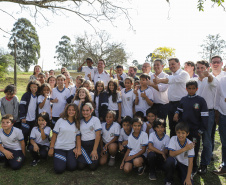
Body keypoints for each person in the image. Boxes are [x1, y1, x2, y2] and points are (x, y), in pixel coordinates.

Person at [173, 80, 209, 176]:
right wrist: (176, 113)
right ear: (186, 89)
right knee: (184, 147)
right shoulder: (183, 99)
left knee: (194, 148)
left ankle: (194, 168)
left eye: (193, 88)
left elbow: (205, 116)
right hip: (184, 131)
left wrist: (201, 130)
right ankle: (183, 166)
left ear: (197, 89)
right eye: (189, 88)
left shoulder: (201, 100)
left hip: (195, 131)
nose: (191, 90)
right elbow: (179, 109)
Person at [153, 57, 190, 137]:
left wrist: (159, 80)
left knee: (181, 128)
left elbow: (172, 80)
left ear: (179, 64)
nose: (171, 66)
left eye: (173, 64)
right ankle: (173, 148)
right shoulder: (171, 76)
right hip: (171, 105)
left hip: (181, 104)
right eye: (169, 65)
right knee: (172, 127)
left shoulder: (183, 74)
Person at [196, 60, 218, 175]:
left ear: (207, 68)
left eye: (202, 68)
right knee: (196, 138)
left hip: (208, 113)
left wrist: (207, 75)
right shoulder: (194, 81)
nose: (199, 70)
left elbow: (211, 81)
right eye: (198, 68)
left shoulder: (211, 79)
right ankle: (194, 163)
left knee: (207, 140)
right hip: (196, 114)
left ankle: (204, 165)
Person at [48, 103, 81, 174]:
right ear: (66, 111)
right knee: (59, 170)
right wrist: (51, 148)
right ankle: (61, 160)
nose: (71, 111)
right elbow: (54, 135)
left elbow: (78, 137)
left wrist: (78, 149)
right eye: (69, 110)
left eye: (73, 110)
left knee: (72, 167)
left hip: (71, 149)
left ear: (76, 112)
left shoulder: (77, 123)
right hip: (60, 148)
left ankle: (65, 160)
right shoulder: (60, 121)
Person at [77, 103, 102, 171]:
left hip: (93, 145)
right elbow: (78, 136)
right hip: (84, 146)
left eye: (87, 110)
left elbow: (98, 135)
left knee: (92, 167)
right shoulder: (80, 121)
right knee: (80, 166)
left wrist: (94, 150)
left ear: (91, 110)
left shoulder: (95, 120)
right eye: (83, 110)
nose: (85, 112)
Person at [19, 80, 41, 146]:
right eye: (31, 87)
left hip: (34, 119)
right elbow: (22, 106)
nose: (33, 89)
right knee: (25, 133)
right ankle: (23, 146)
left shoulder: (38, 96)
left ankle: (30, 146)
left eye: (35, 87)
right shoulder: (26, 95)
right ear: (29, 87)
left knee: (32, 133)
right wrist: (23, 117)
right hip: (26, 119)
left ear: (38, 87)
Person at [213, 75, 226, 175]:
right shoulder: (222, 79)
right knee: (224, 142)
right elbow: (217, 97)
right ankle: (225, 166)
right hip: (223, 115)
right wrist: (217, 114)